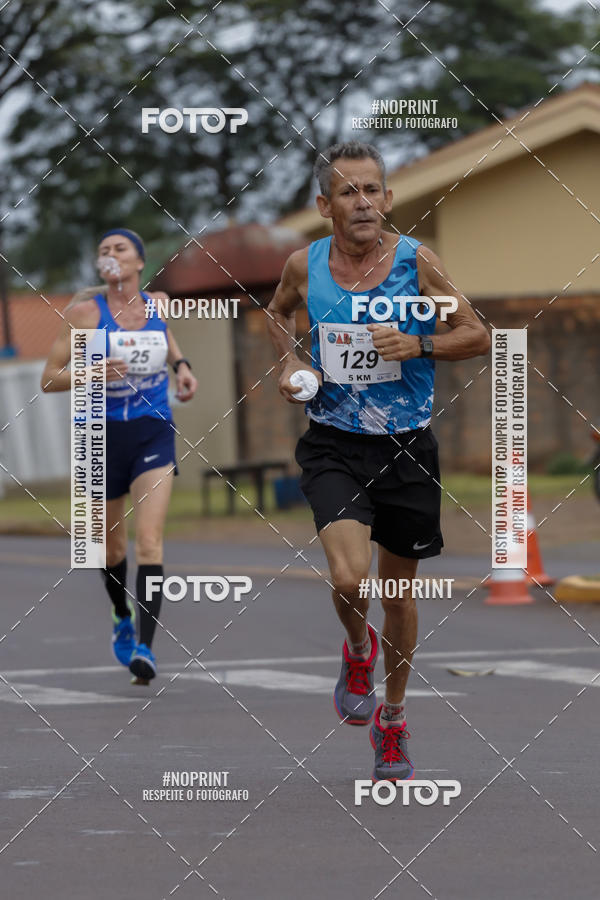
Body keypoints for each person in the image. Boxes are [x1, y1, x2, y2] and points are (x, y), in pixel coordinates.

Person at [267, 141, 490, 781]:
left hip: (408, 448)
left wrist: (419, 343)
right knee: (349, 580)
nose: (362, 203)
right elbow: (276, 314)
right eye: (347, 192)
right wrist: (291, 361)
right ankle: (356, 649)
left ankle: (393, 720)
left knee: (397, 595)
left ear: (388, 199)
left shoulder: (417, 262)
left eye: (372, 190)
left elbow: (476, 334)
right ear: (324, 205)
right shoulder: (303, 266)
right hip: (334, 443)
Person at [41, 228, 197, 683]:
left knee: (149, 541)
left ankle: (146, 647)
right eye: (103, 250)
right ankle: (120, 615)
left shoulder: (158, 304)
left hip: (152, 432)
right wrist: (92, 370)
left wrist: (183, 369)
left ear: (138, 264)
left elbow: (165, 340)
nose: (110, 255)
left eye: (119, 249)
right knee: (108, 547)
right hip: (98, 434)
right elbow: (49, 379)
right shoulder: (85, 314)